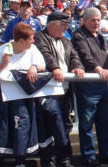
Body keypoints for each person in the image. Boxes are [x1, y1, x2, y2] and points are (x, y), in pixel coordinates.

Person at [0, 23, 46, 167]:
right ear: (20, 41)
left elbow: (41, 64)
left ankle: (20, 160)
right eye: (30, 39)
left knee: (21, 128)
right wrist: (0, 66)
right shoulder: (0, 51)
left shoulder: (32, 50)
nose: (33, 41)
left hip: (20, 99)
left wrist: (34, 66)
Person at [34, 12, 85, 166]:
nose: (66, 27)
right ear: (52, 24)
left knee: (65, 123)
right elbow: (45, 54)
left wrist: (77, 67)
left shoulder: (65, 41)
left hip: (64, 88)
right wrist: (55, 68)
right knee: (47, 125)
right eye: (63, 24)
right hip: (47, 89)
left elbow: (75, 56)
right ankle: (47, 158)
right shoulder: (39, 37)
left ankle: (64, 157)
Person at [72, 7, 108, 166]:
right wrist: (97, 69)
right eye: (93, 20)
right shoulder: (78, 35)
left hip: (103, 85)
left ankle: (107, 154)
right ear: (84, 20)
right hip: (88, 84)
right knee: (86, 123)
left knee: (105, 121)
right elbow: (85, 55)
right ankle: (89, 157)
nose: (96, 23)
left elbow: (106, 59)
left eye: (98, 20)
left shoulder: (101, 37)